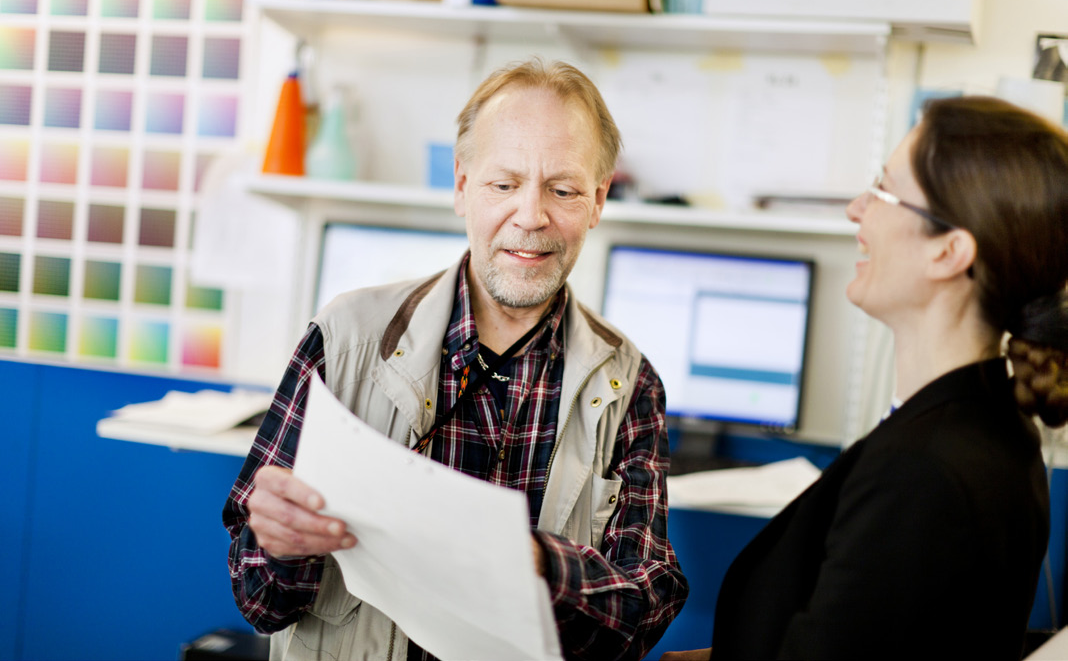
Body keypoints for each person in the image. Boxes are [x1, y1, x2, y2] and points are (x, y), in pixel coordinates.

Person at [223, 58, 689, 661]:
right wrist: (281, 547)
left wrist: (539, 563)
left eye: (564, 189)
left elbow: (644, 610)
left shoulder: (629, 383)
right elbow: (257, 599)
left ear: (598, 202)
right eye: (504, 184)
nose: (530, 216)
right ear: (463, 186)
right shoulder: (344, 338)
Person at [663, 96, 1068, 660]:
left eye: (883, 189)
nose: (857, 208)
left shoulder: (924, 473)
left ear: (948, 252)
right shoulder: (984, 424)